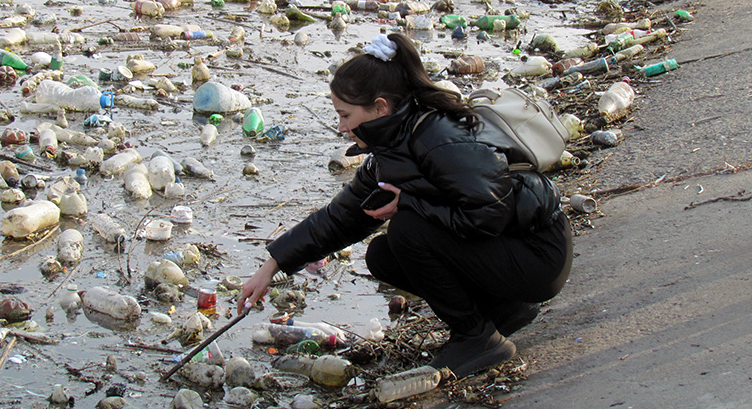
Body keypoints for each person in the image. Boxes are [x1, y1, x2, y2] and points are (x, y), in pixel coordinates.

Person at [238, 33, 573, 377]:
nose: (341, 128)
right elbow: (342, 218)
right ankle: (504, 311)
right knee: (382, 255)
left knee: (408, 231)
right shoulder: (392, 145)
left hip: (538, 254)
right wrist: (273, 264)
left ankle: (477, 339)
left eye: (345, 115)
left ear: (380, 108)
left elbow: (490, 216)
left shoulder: (439, 137)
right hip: (508, 250)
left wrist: (411, 202)